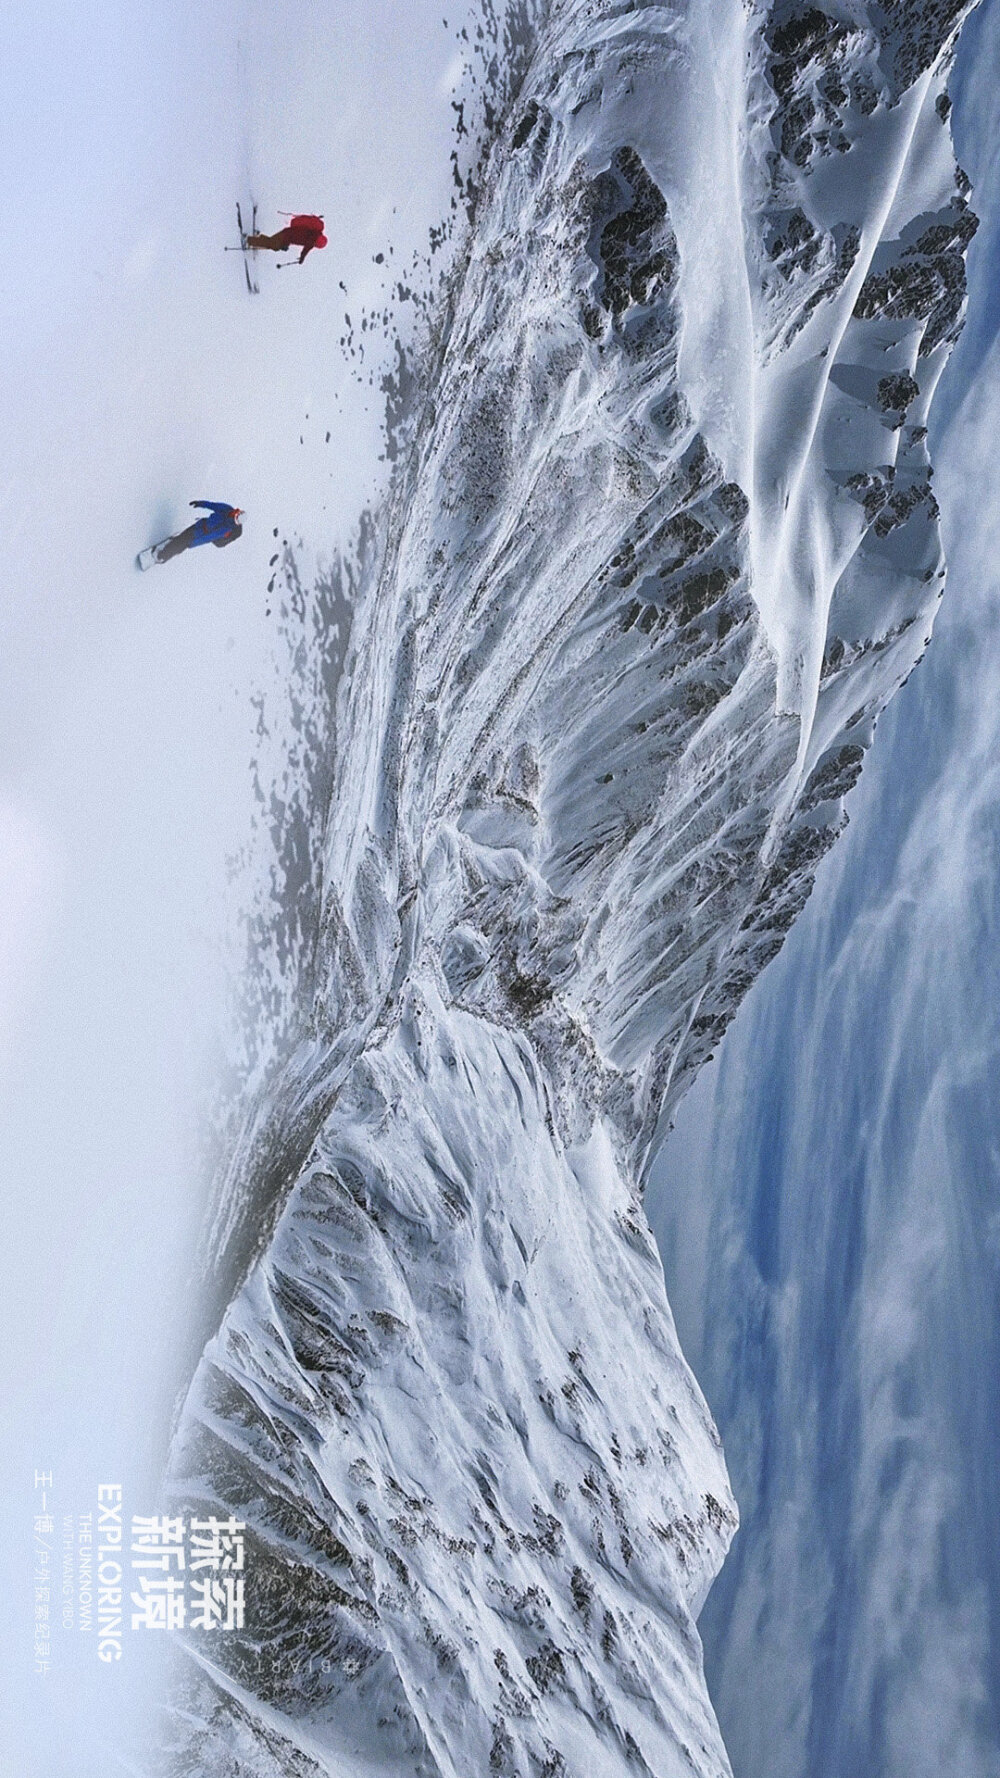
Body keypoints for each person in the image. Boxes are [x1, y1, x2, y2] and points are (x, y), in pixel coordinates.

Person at [152, 502, 243, 563]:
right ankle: (171, 546)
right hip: (199, 525)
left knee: (181, 543)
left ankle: (161, 556)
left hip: (199, 535)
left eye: (236, 520)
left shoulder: (227, 529)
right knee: (181, 538)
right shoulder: (227, 509)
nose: (234, 518)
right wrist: (200, 503)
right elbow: (213, 505)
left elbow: (210, 537)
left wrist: (195, 542)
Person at [245, 213, 328, 264]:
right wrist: (301, 260)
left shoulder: (313, 233)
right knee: (273, 244)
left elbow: (297, 236)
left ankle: (255, 240)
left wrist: (286, 244)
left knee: (273, 244)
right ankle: (249, 240)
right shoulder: (312, 241)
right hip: (286, 237)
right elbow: (305, 250)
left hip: (287, 233)